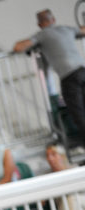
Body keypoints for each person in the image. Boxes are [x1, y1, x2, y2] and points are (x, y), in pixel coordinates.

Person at [14, 9, 85, 148]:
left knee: (78, 113)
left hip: (68, 77)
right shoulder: (66, 29)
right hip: (82, 70)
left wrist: (34, 43)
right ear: (53, 20)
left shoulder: (42, 35)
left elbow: (18, 47)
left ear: (39, 24)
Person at [44, 143, 85, 210]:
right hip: (63, 207)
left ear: (61, 156)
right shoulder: (46, 176)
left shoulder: (73, 169)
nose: (50, 158)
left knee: (73, 199)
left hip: (82, 200)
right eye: (48, 155)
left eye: (53, 154)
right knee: (73, 202)